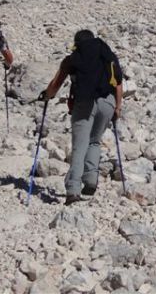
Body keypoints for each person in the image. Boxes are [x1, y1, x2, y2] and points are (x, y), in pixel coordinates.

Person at [40, 29, 123, 205]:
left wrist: (47, 96)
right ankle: (91, 182)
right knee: (94, 141)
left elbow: (56, 84)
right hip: (107, 102)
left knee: (80, 145)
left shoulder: (71, 60)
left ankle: (73, 190)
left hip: (84, 103)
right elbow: (118, 82)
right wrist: (118, 107)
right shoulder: (107, 55)